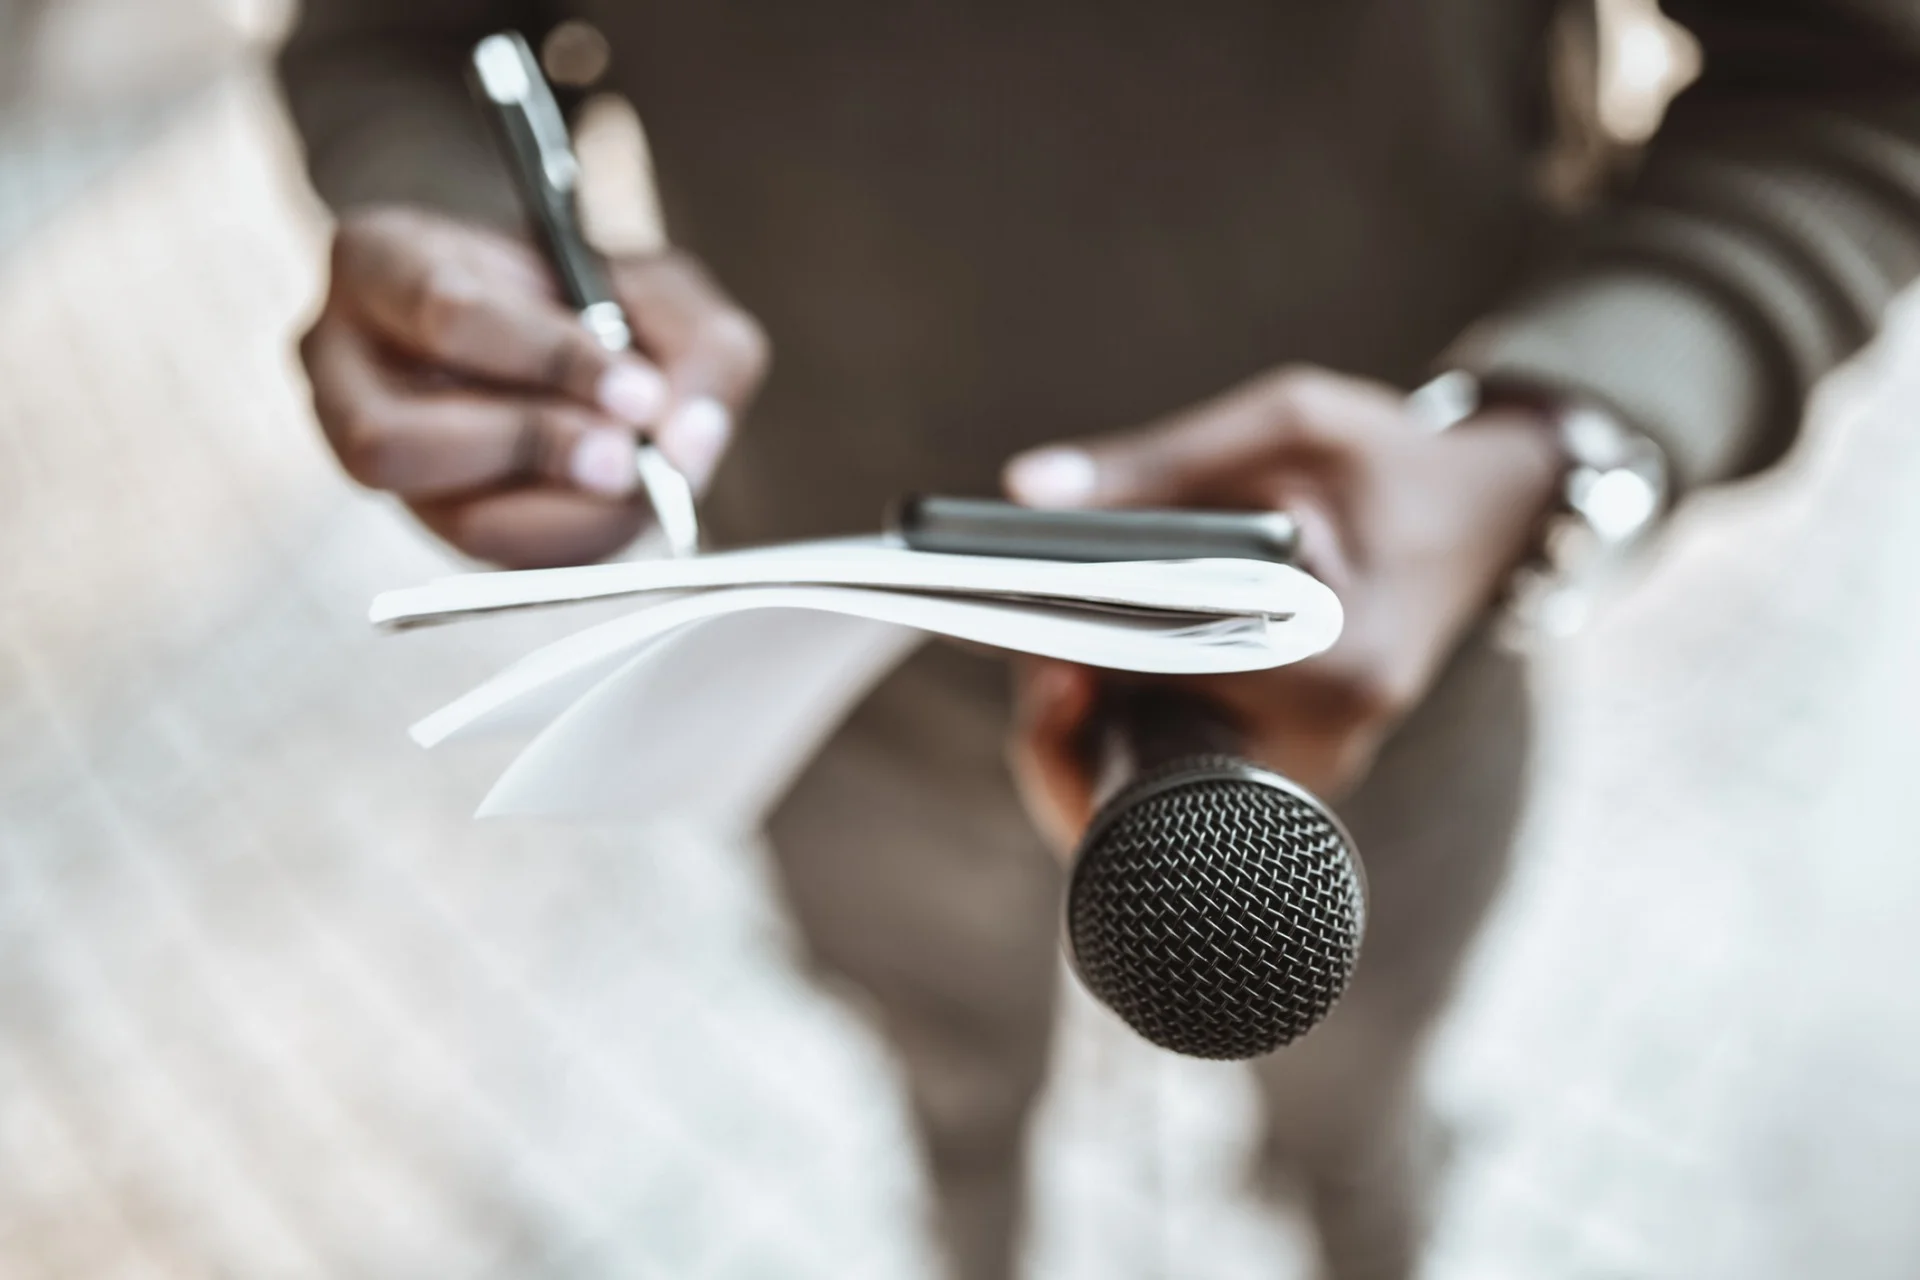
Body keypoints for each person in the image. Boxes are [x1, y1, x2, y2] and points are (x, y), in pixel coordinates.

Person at [277, 4, 1920, 1277]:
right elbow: (411, 38)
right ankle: (972, 1218)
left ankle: (1367, 1222)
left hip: (1371, 704)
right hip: (847, 685)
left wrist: (1552, 440)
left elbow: (1853, 83)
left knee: (1357, 1095)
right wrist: (471, 266)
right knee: (944, 1065)